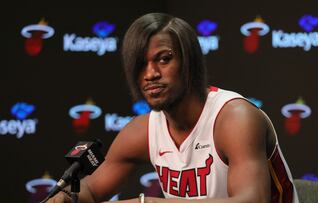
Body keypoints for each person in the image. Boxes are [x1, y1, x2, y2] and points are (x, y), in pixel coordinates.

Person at [47, 12, 299, 203]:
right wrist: (64, 198)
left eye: (164, 59)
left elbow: (251, 201)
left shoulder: (234, 118)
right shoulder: (142, 131)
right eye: (140, 64)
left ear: (188, 61)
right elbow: (90, 189)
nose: (150, 74)